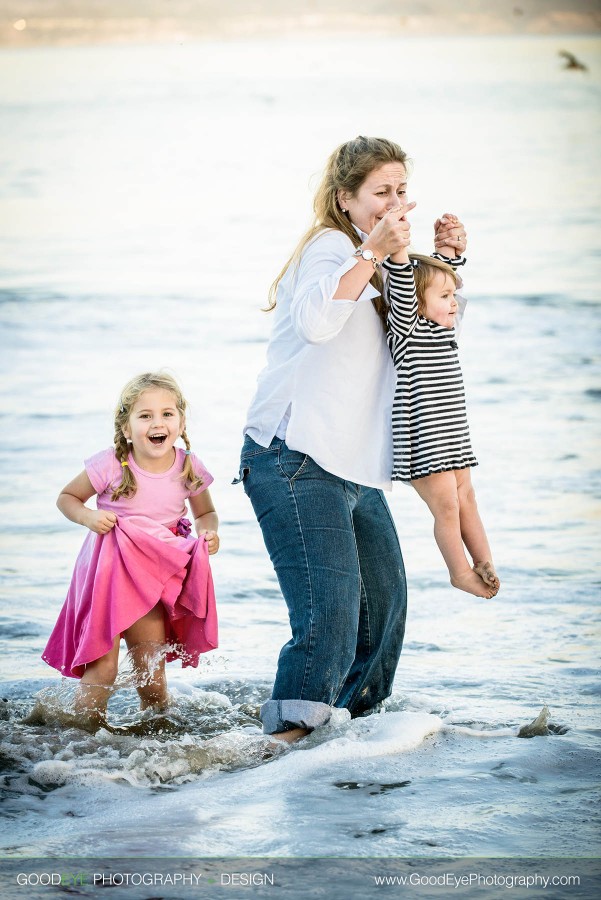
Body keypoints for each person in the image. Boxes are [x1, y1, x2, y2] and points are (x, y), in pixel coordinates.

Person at [235, 135, 466, 742]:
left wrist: (448, 263)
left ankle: (347, 736)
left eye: (401, 192)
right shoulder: (331, 247)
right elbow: (315, 322)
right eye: (380, 194)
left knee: (383, 614)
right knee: (329, 621)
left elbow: (429, 327)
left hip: (349, 463)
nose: (394, 206)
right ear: (346, 198)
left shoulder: (387, 261)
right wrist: (367, 250)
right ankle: (284, 747)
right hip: (291, 455)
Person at [42, 372, 219, 726]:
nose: (158, 422)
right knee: (103, 666)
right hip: (108, 574)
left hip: (152, 577)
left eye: (168, 414)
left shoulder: (188, 466)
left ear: (181, 422)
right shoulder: (111, 464)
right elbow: (67, 498)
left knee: (150, 667)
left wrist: (209, 533)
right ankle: (80, 739)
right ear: (126, 428)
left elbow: (206, 513)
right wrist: (89, 517)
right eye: (145, 415)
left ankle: (155, 732)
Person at [384, 220, 500, 600]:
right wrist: (400, 248)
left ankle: (484, 562)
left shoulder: (443, 329)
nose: (455, 303)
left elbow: (436, 279)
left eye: (454, 296)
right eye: (447, 298)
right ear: (416, 304)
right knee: (447, 505)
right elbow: (407, 282)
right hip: (422, 436)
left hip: (451, 432)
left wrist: (449, 255)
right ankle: (459, 572)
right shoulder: (407, 330)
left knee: (467, 496)